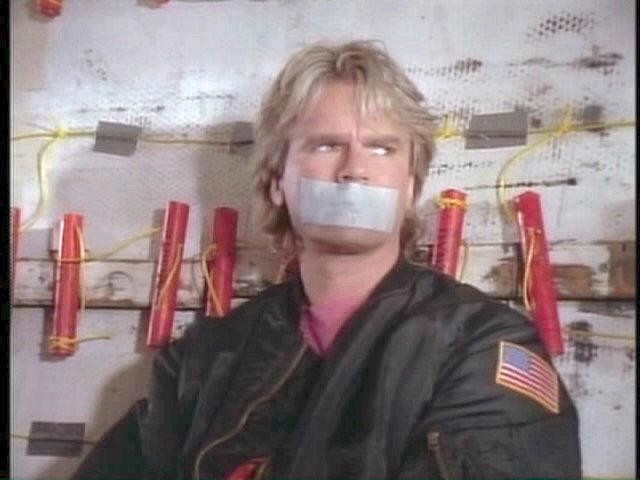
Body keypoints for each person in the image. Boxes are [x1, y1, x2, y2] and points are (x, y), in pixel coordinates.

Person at [71, 40, 582, 480]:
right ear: (278, 181)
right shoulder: (203, 360)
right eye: (326, 145)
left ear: (410, 188)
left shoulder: (480, 345)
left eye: (382, 149)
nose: (354, 169)